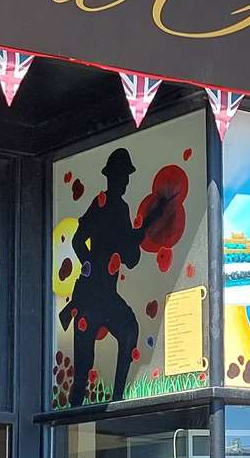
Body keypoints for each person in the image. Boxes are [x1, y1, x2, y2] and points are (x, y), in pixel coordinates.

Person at [61, 147, 170, 405]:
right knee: (93, 358)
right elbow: (124, 253)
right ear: (115, 177)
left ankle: (117, 399)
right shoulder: (110, 206)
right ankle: (116, 399)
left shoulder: (111, 206)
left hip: (99, 296)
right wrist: (90, 264)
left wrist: (145, 223)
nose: (125, 181)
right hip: (94, 296)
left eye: (126, 177)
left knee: (122, 335)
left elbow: (120, 248)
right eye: (123, 176)